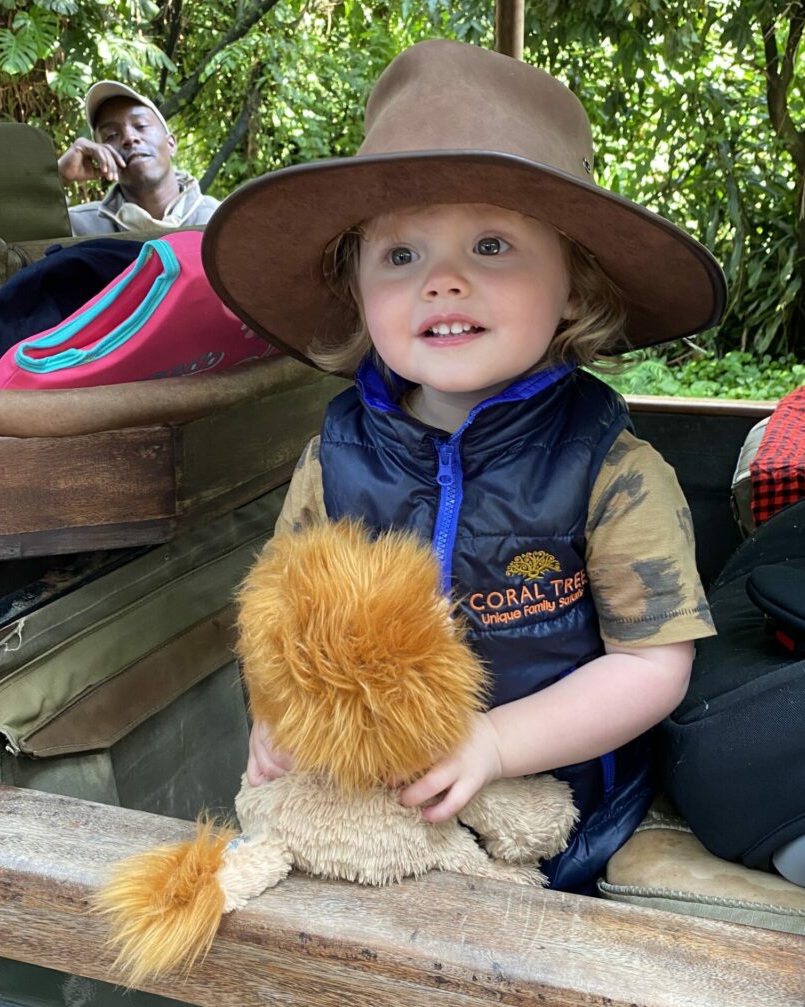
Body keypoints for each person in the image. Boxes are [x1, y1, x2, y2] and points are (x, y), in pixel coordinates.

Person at [203, 39, 727, 895]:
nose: (441, 281)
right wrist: (274, 712)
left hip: (556, 810)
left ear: (574, 285)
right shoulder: (331, 459)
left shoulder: (613, 468)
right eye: (401, 255)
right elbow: (278, 616)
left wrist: (494, 744)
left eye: (491, 246)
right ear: (358, 289)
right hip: (367, 808)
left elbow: (652, 663)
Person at [58, 81, 220, 235]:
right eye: (111, 135)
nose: (129, 138)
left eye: (141, 125)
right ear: (99, 157)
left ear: (170, 143)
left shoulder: (220, 219)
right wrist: (59, 176)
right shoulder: (79, 226)